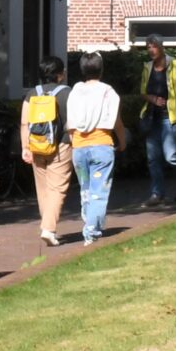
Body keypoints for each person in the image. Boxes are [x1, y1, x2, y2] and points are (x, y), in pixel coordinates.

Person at [64, 53, 125, 243]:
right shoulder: (108, 92)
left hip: (79, 147)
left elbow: (71, 123)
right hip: (101, 145)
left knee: (86, 190)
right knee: (99, 191)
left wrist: (75, 143)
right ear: (101, 69)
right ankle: (91, 232)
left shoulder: (75, 91)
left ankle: (89, 223)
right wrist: (122, 141)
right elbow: (115, 121)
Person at [22, 56, 74, 246]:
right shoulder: (67, 93)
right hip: (60, 145)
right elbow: (73, 122)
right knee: (57, 188)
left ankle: (47, 225)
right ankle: (48, 229)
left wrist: (25, 147)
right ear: (60, 74)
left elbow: (24, 123)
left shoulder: (31, 94)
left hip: (36, 145)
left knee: (43, 189)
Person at [134, 39, 176, 206]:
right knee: (153, 158)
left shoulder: (175, 65)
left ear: (162, 47)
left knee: (171, 156)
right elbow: (143, 92)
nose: (151, 50)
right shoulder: (147, 67)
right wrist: (152, 98)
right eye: (148, 47)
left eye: (154, 46)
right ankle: (157, 193)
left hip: (169, 118)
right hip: (152, 117)